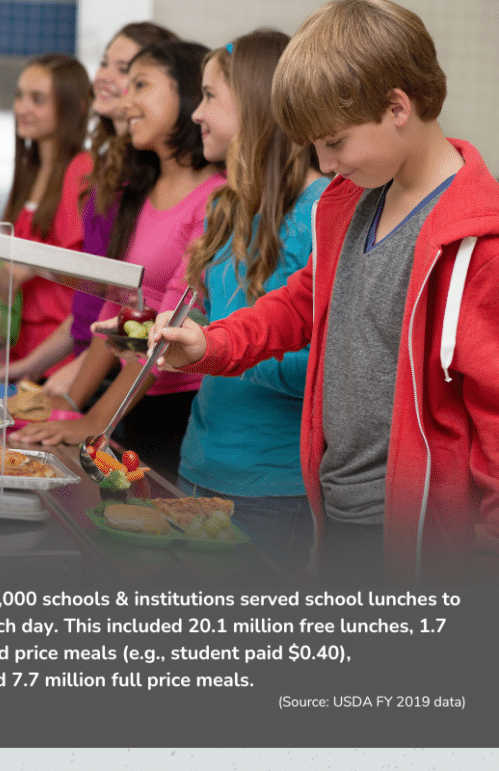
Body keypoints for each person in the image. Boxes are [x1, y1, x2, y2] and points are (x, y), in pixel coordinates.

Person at [151, 0, 499, 587]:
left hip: (418, 538)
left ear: (397, 106)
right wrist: (210, 344)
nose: (324, 162)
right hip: (337, 514)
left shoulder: (477, 241)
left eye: (335, 141)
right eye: (313, 145)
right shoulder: (354, 203)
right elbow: (300, 304)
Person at [10, 40, 226, 478]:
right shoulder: (139, 193)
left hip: (175, 408)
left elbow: (170, 318)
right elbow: (119, 306)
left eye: (140, 86)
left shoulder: (215, 197)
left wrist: (97, 421)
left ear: (186, 95)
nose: (125, 104)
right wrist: (72, 404)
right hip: (130, 398)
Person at [174, 31, 328, 571]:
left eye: (211, 96)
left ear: (257, 107)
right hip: (200, 462)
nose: (196, 113)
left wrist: (217, 351)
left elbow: (325, 370)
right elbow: (214, 313)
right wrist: (164, 334)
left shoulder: (319, 214)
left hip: (270, 486)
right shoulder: (229, 205)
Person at [0, 22, 178, 395]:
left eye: (131, 74)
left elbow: (126, 299)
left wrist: (77, 370)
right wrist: (34, 365)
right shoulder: (104, 169)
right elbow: (102, 300)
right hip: (82, 356)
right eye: (105, 63)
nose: (104, 76)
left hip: (120, 370)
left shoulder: (109, 174)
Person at [0, 53, 92, 375]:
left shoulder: (82, 171)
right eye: (19, 96)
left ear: (74, 109)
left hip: (60, 357)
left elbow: (95, 278)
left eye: (38, 99)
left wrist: (31, 266)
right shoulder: (28, 173)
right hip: (21, 349)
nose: (22, 108)